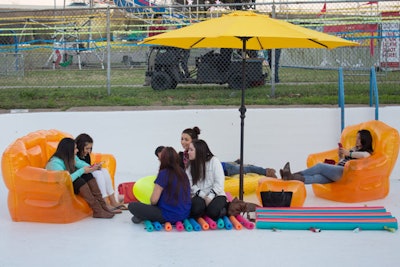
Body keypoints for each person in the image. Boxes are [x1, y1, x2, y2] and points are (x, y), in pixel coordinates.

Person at [186, 139, 257, 220]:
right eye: (189, 149)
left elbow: (219, 183)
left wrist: (210, 197)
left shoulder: (214, 161)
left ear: (199, 151)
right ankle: (204, 209)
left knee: (213, 213)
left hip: (217, 194)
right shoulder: (190, 165)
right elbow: (190, 184)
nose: (188, 152)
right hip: (199, 195)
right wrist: (203, 195)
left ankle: (227, 206)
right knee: (195, 210)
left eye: (191, 150)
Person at [46, 138, 114, 218]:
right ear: (68, 150)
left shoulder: (70, 157)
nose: (77, 150)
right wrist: (82, 171)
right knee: (78, 180)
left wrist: (93, 167)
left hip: (67, 184)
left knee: (87, 175)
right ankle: (98, 210)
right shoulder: (54, 163)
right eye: (75, 148)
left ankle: (103, 207)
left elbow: (80, 163)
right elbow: (64, 181)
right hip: (58, 188)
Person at [280, 129, 373, 184]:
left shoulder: (367, 153)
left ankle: (291, 174)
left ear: (365, 140)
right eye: (357, 138)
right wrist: (341, 156)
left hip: (345, 174)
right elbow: (344, 160)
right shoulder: (354, 148)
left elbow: (364, 156)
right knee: (316, 178)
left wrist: (348, 153)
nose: (357, 140)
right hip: (338, 170)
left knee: (320, 166)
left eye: (359, 138)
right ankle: (290, 178)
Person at [179, 126, 277, 177]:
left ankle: (267, 171)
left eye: (186, 139)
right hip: (223, 165)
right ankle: (236, 162)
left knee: (246, 169)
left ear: (194, 140)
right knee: (235, 165)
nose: (183, 142)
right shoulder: (185, 154)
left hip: (226, 170)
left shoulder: (199, 151)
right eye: (182, 139)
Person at [128, 147, 191, 224]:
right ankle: (141, 216)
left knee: (132, 206)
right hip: (185, 214)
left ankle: (141, 216)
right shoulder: (182, 172)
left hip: (169, 215)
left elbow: (154, 200)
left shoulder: (163, 173)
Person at [75, 133, 127, 213]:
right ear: (80, 146)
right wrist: (93, 168)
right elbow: (81, 168)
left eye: (90, 148)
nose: (89, 151)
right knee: (98, 174)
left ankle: (113, 201)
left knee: (104, 170)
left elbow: (87, 166)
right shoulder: (75, 155)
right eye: (87, 148)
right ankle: (105, 203)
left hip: (87, 173)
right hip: (81, 176)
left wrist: (96, 167)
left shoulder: (86, 155)